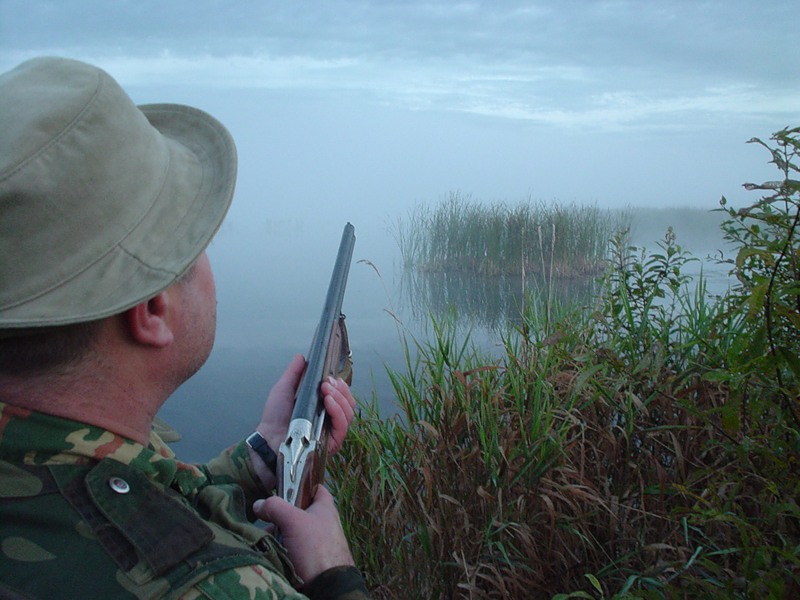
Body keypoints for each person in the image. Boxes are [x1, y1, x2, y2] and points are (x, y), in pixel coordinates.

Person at [0, 57, 370, 599]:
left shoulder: (40, 439)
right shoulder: (214, 588)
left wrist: (265, 454)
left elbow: (125, 490)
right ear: (152, 309)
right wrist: (335, 576)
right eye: (197, 244)